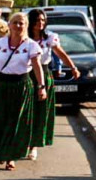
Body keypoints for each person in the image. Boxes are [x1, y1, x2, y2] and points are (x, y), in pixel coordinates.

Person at [0, 13, 45, 171]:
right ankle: (2, 150)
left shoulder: (31, 45)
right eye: (15, 23)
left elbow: (37, 66)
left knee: (15, 121)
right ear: (9, 25)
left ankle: (10, 157)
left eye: (22, 23)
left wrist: (41, 86)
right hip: (1, 85)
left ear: (26, 26)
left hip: (21, 85)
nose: (18, 26)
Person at [26, 9, 80, 160]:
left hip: (43, 74)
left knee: (39, 111)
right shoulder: (25, 38)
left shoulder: (49, 38)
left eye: (43, 20)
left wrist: (73, 67)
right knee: (25, 110)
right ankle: (22, 141)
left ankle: (34, 145)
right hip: (26, 75)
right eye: (37, 21)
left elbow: (61, 53)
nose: (40, 24)